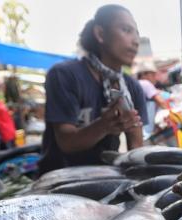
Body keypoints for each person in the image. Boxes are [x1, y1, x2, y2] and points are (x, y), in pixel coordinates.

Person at [39, 4, 145, 174]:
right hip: (60, 179)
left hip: (105, 177)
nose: (136, 41)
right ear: (100, 34)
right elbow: (66, 142)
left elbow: (136, 147)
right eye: (126, 30)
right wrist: (104, 126)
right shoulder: (64, 75)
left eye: (137, 33)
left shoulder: (133, 88)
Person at [136, 61, 168, 138]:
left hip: (140, 130)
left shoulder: (137, 84)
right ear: (144, 74)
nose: (155, 78)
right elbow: (161, 102)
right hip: (146, 130)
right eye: (153, 75)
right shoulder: (145, 83)